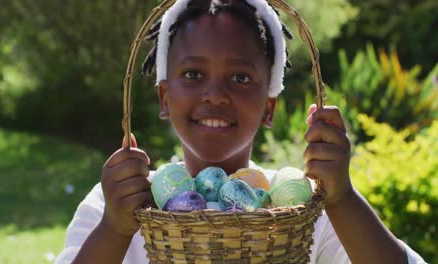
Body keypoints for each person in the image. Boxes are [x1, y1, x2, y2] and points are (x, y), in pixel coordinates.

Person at [55, 0, 426, 263]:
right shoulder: (121, 204)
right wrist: (114, 230)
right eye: (193, 75)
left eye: (240, 78)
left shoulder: (299, 209)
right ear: (165, 98)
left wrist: (342, 198)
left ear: (269, 105)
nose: (215, 95)